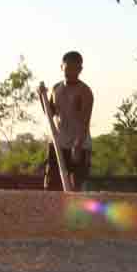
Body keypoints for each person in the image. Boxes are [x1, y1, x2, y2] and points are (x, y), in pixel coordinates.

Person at [41, 51, 93, 190]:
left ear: (80, 69)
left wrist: (77, 145)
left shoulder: (85, 92)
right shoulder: (55, 88)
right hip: (58, 143)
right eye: (67, 68)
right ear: (61, 67)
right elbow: (49, 113)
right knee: (52, 186)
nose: (69, 72)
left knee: (77, 187)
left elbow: (85, 122)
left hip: (79, 145)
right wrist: (42, 97)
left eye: (73, 68)